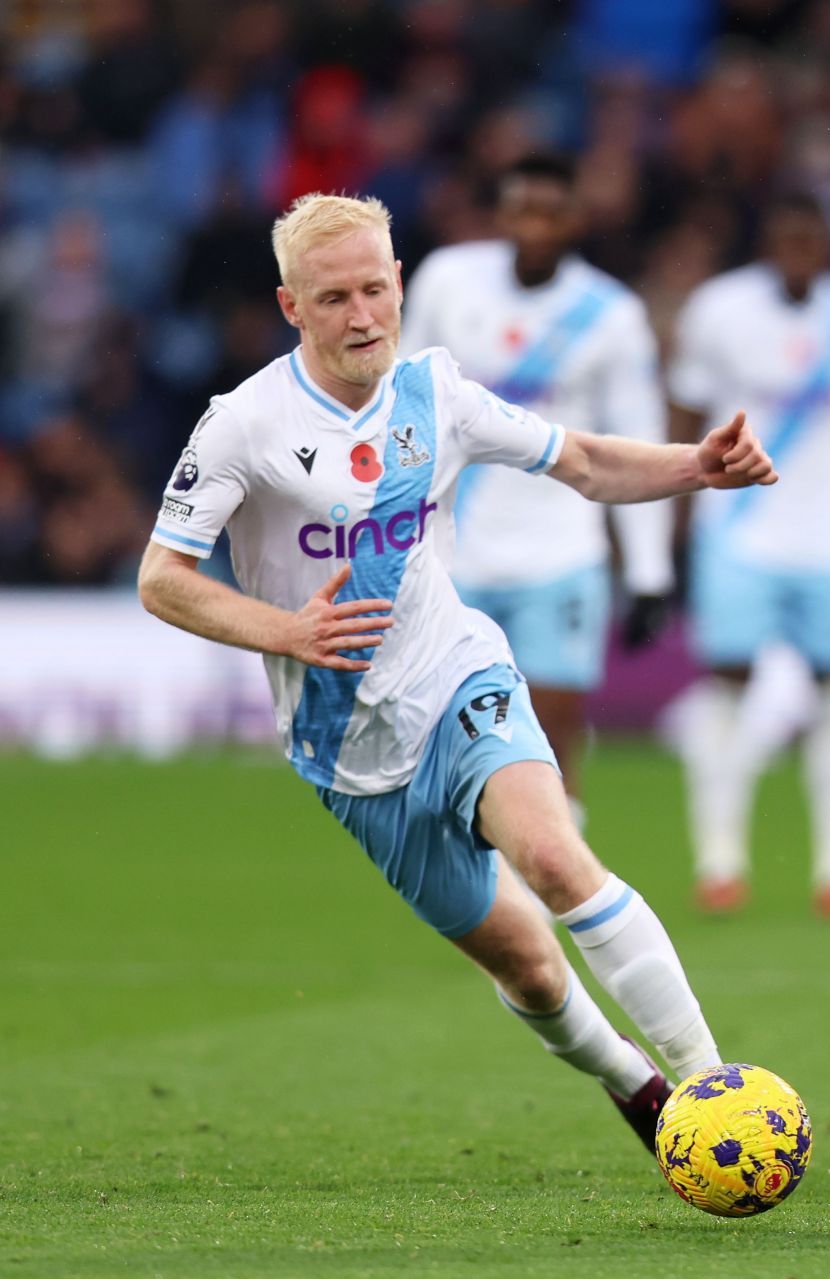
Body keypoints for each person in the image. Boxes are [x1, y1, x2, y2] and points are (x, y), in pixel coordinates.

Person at [137, 194, 776, 1152]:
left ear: (399, 284)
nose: (362, 316)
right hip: (348, 749)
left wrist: (697, 465)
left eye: (374, 289)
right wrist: (287, 631)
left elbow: (588, 462)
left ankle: (716, 1097)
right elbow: (162, 579)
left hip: (457, 673)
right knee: (529, 969)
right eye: (334, 298)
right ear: (291, 308)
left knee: (557, 858)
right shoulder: (243, 424)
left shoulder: (438, 394)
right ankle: (636, 1085)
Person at [400, 152, 674, 832]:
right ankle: (480, 901)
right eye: (523, 209)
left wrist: (649, 569)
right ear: (502, 214)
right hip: (453, 551)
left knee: (551, 737)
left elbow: (637, 436)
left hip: (562, 554)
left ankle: (552, 898)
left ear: (576, 219)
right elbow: (401, 406)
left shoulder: (609, 314)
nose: (536, 225)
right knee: (442, 743)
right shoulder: (447, 281)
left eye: (551, 212)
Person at [667, 192, 830, 920]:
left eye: (811, 238)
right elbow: (684, 414)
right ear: (767, 241)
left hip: (829, 536)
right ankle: (719, 865)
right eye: (786, 237)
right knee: (728, 685)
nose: (798, 250)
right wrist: (671, 523)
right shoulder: (718, 310)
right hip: (736, 530)